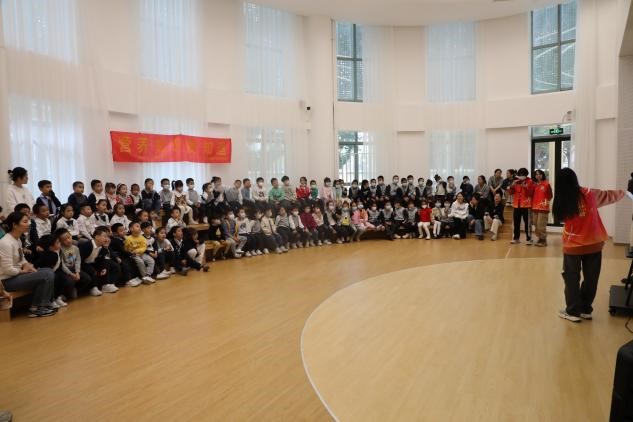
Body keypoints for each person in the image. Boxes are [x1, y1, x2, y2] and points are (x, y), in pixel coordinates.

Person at [552, 168, 625, 322]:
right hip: (594, 243)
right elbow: (609, 195)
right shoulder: (590, 193)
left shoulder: (561, 199)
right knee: (591, 277)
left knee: (571, 278)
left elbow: (561, 218)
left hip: (573, 245)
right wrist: (624, 192)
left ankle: (573, 311)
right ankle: (585, 309)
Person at [0, 212, 56, 317]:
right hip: (6, 280)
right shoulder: (5, 242)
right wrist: (23, 271)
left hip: (16, 275)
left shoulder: (17, 239)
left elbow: (22, 259)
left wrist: (28, 266)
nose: (29, 224)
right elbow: (8, 269)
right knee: (46, 275)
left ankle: (43, 304)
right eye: (25, 222)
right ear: (14, 225)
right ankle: (37, 308)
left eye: (28, 221)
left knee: (48, 271)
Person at [57, 228, 98, 297]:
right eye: (64, 240)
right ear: (60, 242)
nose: (68, 240)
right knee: (69, 281)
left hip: (74, 269)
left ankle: (76, 289)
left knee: (87, 279)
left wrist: (77, 272)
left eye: (69, 237)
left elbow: (78, 261)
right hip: (65, 270)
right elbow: (62, 265)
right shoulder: (60, 250)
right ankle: (64, 294)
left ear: (71, 236)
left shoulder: (75, 248)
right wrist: (71, 274)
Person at [79, 226, 120, 293]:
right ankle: (93, 288)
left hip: (93, 262)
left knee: (108, 265)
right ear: (97, 237)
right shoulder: (87, 245)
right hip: (83, 264)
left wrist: (103, 268)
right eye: (104, 236)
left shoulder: (102, 247)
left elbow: (102, 259)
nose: (106, 239)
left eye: (107, 237)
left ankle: (106, 285)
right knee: (92, 270)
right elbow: (79, 260)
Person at [508, 168, 534, 245]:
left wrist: (525, 186)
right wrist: (511, 186)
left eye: (523, 175)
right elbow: (511, 192)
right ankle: (516, 238)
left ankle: (529, 238)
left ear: (526, 175)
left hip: (526, 205)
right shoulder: (516, 181)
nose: (521, 176)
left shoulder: (530, 181)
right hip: (516, 205)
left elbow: (531, 193)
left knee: (527, 223)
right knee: (516, 222)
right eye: (520, 175)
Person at [531, 169, 553, 247]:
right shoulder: (534, 185)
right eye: (536, 174)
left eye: (540, 174)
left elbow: (550, 196)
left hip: (543, 208)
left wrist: (544, 202)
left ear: (542, 175)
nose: (538, 176)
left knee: (541, 225)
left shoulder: (546, 184)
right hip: (535, 207)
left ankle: (543, 240)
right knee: (535, 224)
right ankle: (540, 238)